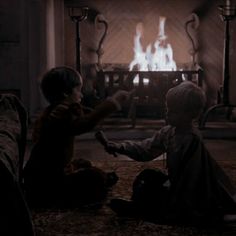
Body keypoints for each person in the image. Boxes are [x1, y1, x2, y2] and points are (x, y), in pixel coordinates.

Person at [96, 81, 236, 225]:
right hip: (174, 184)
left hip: (192, 193)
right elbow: (146, 149)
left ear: (191, 114)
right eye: (167, 109)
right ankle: (139, 205)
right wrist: (120, 147)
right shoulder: (168, 132)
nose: (167, 114)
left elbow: (192, 178)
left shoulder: (191, 140)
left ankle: (153, 210)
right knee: (147, 176)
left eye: (174, 111)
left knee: (182, 206)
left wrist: (177, 204)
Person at [23, 66, 131, 208]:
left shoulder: (56, 109)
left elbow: (87, 114)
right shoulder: (61, 114)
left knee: (83, 163)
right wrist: (113, 103)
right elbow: (84, 124)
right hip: (47, 182)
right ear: (65, 93)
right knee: (95, 177)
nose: (81, 95)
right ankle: (79, 193)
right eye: (78, 90)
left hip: (40, 175)